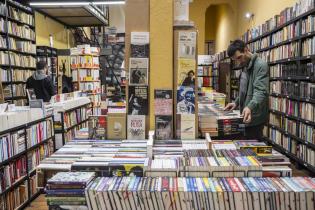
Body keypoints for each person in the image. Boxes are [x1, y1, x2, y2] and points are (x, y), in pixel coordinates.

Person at [224, 39, 269, 140]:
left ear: (246, 49)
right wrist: (236, 102)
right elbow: (245, 91)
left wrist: (250, 107)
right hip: (245, 115)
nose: (239, 61)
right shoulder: (245, 65)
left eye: (239, 57)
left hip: (255, 118)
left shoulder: (260, 65)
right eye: (236, 60)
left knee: (252, 150)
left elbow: (261, 91)